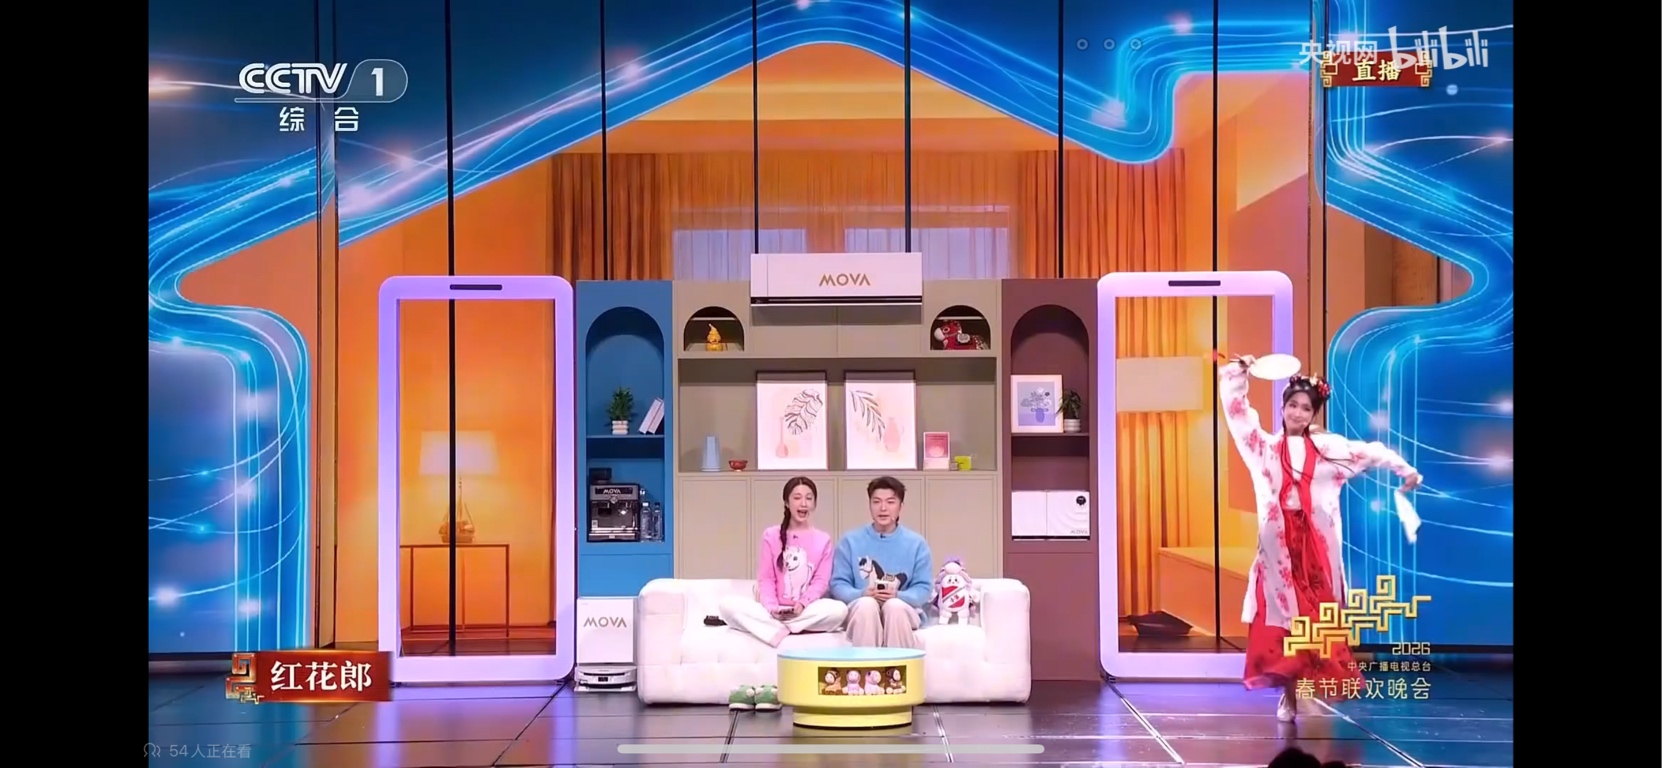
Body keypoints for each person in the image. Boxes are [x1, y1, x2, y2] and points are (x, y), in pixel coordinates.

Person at [1219, 356, 1423, 723]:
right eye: (1292, 405)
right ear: (1283, 407)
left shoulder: (1329, 450)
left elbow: (1370, 452)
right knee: (1281, 624)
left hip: (1315, 549)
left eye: (1305, 408)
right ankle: (1288, 696)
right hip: (1278, 550)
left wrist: (1405, 470)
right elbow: (1238, 414)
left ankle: (1306, 689)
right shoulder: (1263, 448)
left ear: (1314, 414)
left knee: (1315, 623)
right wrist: (1238, 373)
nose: (1297, 413)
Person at [717, 476, 847, 648]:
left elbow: (820, 582)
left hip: (805, 611)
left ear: (814, 504)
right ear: (786, 502)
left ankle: (774, 629)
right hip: (771, 611)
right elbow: (766, 579)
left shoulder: (824, 539)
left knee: (839, 610)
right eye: (797, 498)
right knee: (727, 605)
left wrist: (802, 604)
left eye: (809, 498)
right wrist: (772, 608)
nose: (803, 504)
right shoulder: (771, 535)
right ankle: (786, 627)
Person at [829, 476, 934, 649]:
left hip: (903, 609)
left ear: (901, 507)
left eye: (890, 502)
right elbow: (838, 584)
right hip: (861, 608)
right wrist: (862, 593)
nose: (883, 508)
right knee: (867, 605)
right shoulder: (850, 541)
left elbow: (923, 589)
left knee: (894, 607)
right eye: (876, 502)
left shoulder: (917, 544)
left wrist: (898, 595)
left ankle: (897, 666)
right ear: (870, 505)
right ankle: (867, 665)